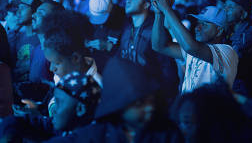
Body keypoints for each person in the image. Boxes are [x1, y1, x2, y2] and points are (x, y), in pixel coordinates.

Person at [39, 58, 184, 143]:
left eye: (151, 100)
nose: (150, 107)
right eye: (139, 104)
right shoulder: (97, 135)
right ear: (119, 108)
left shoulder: (168, 134)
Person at [149, 0, 238, 94]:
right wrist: (159, 13)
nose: (197, 27)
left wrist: (167, 9)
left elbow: (191, 47)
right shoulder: (195, 49)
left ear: (219, 30)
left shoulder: (227, 52)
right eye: (198, 23)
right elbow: (159, 46)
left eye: (204, 25)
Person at [0, 72, 101, 142]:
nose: (54, 109)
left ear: (80, 109)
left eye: (59, 103)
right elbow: (18, 121)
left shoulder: (86, 137)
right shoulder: (71, 124)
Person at [118, 0, 179, 100]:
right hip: (131, 96)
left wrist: (165, 101)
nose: (128, 0)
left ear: (146, 4)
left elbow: (168, 71)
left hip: (153, 100)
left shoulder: (156, 31)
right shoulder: (127, 30)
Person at [222, 0, 252, 100]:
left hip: (244, 91)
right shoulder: (230, 31)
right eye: (225, 6)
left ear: (243, 14)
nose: (225, 10)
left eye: (230, 7)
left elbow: (230, 60)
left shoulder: (247, 35)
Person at [85, 0, 126, 72]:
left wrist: (108, 46)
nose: (99, 23)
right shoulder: (90, 22)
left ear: (111, 9)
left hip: (116, 70)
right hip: (97, 68)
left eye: (101, 17)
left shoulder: (125, 21)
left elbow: (128, 55)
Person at [13, 0, 42, 85]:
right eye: (18, 8)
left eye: (23, 8)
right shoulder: (17, 37)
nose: (18, 12)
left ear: (34, 11)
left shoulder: (41, 38)